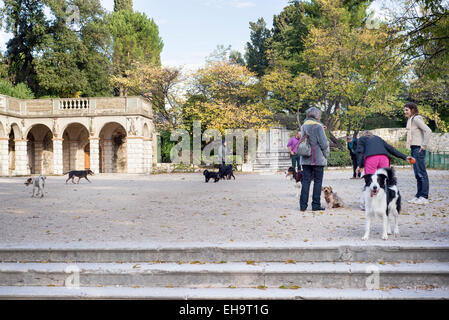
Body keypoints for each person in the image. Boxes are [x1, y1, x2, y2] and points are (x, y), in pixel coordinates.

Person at [299, 107, 330, 212]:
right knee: (318, 181)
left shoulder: (303, 126)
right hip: (317, 158)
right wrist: (326, 155)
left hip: (305, 158)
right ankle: (315, 205)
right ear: (317, 116)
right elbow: (324, 144)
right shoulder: (318, 127)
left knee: (306, 182)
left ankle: (303, 205)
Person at [405, 102, 432, 205]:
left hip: (418, 149)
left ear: (412, 110)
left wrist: (424, 145)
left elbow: (428, 131)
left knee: (421, 173)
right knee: (417, 173)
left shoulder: (416, 119)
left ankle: (424, 197)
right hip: (414, 149)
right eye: (405, 110)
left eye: (407, 110)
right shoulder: (410, 120)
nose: (405, 112)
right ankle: (418, 196)